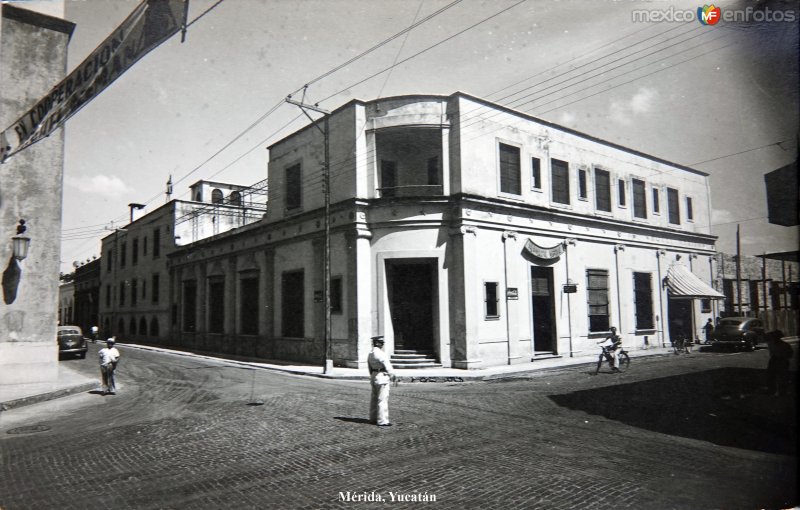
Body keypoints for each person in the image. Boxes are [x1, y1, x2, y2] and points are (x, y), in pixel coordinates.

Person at [367, 335, 395, 427]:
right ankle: (382, 421)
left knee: (374, 399)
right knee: (382, 400)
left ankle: (373, 418)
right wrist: (392, 375)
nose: (382, 344)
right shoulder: (381, 354)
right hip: (382, 377)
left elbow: (369, 367)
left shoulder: (370, 353)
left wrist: (372, 375)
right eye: (381, 342)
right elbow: (387, 365)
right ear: (377, 343)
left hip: (374, 376)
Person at [765, 330, 793, 397]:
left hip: (775, 360)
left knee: (773, 376)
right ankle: (781, 391)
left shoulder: (770, 343)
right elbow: (790, 355)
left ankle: (774, 390)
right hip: (782, 360)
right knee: (782, 376)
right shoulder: (785, 345)